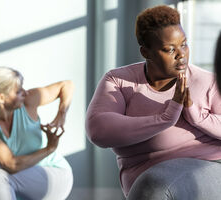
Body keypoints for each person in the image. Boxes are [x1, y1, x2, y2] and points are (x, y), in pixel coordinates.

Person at [86, 5, 221, 200]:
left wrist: (197, 116)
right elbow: (99, 130)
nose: (181, 54)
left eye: (184, 44)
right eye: (169, 49)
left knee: (154, 186)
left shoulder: (205, 81)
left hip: (209, 164)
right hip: (143, 180)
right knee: (151, 185)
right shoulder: (119, 81)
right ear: (146, 52)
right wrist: (166, 117)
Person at [0, 67, 74, 200]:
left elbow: (66, 85)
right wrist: (50, 148)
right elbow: (13, 165)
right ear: (1, 98)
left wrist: (62, 114)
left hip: (55, 174)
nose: (25, 93)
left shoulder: (28, 101)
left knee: (1, 176)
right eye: (19, 91)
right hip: (24, 182)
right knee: (4, 176)